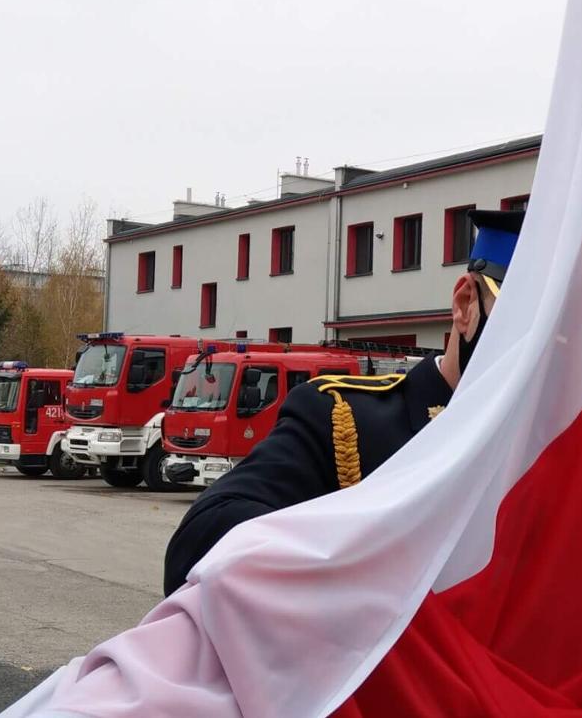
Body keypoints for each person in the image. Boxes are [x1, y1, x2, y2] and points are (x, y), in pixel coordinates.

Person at [162, 209, 523, 595]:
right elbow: (197, 546)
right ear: (466, 304)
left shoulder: (560, 448)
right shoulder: (344, 421)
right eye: (521, 318)